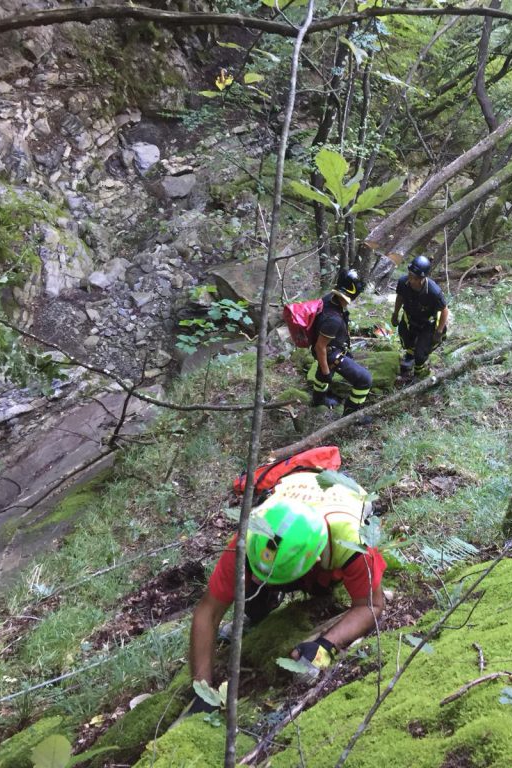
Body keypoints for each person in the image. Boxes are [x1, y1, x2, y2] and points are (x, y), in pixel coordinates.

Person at [187, 466, 386, 714]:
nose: (261, 583)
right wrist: (201, 688)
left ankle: (315, 586)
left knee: (321, 590)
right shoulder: (253, 536)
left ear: (315, 563)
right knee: (252, 595)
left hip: (332, 525)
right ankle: (262, 605)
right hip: (298, 498)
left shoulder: (352, 540)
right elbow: (208, 612)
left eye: (270, 580)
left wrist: (325, 644)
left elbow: (371, 605)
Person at [307, 268, 372, 417]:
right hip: (330, 353)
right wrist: (325, 370)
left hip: (330, 348)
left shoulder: (329, 298)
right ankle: (351, 414)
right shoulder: (333, 320)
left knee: (324, 374)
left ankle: (318, 400)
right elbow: (320, 347)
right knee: (364, 379)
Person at [391, 255, 449, 380]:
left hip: (428, 323)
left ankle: (419, 372)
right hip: (411, 318)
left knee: (421, 353)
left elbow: (444, 311)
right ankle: (409, 356)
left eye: (414, 277)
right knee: (406, 340)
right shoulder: (403, 282)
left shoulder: (433, 292)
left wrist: (439, 331)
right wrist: (395, 313)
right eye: (409, 274)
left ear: (422, 278)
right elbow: (400, 297)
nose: (410, 279)